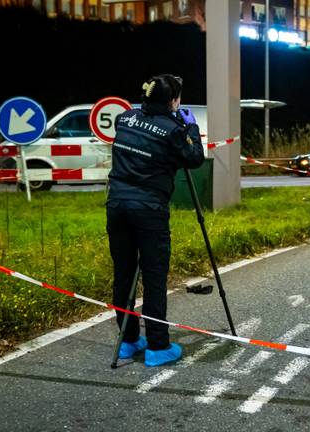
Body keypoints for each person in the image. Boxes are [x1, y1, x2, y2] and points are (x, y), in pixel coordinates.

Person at [106, 74, 204, 367]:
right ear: (173, 101)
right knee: (153, 277)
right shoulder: (173, 130)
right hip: (149, 210)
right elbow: (195, 158)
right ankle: (158, 346)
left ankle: (128, 341)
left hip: (117, 206)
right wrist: (191, 126)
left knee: (123, 275)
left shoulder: (124, 119)